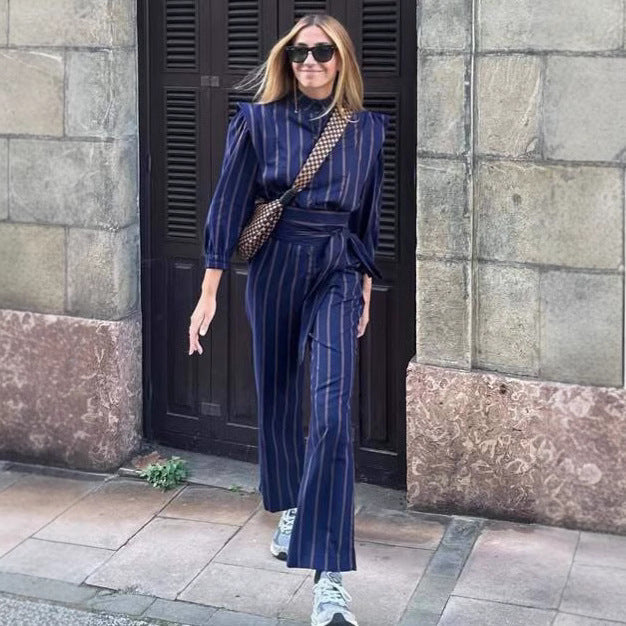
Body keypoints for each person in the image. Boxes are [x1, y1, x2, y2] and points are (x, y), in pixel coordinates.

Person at [188, 13, 388, 626]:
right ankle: (292, 507)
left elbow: (368, 217)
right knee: (276, 393)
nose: (310, 63)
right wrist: (209, 290)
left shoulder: (367, 130)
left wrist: (366, 286)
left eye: (322, 52)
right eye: (299, 53)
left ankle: (330, 580)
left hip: (337, 271)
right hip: (276, 265)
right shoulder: (258, 121)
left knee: (330, 415)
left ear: (341, 59)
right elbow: (227, 204)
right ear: (286, 60)